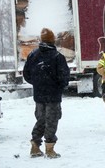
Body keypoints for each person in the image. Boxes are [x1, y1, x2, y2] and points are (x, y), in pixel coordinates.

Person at [23, 28, 70, 158]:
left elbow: (26, 74)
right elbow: (64, 77)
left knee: (41, 120)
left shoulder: (33, 55)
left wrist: (38, 83)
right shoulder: (57, 57)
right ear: (52, 40)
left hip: (39, 95)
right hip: (53, 96)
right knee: (52, 120)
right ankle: (50, 149)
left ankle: (35, 146)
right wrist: (59, 86)